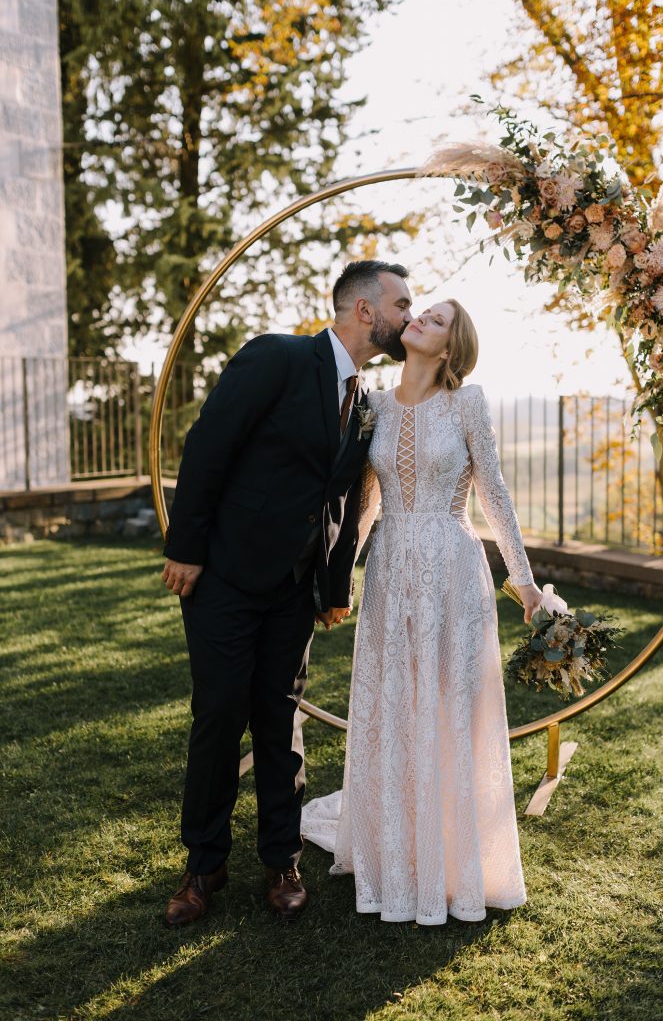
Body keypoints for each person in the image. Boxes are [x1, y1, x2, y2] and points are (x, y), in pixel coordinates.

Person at [160, 260, 413, 925]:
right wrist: (185, 547)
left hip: (296, 590)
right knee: (219, 716)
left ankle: (282, 862)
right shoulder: (276, 357)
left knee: (281, 721)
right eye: (401, 304)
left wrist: (334, 585)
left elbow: (345, 501)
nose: (408, 318)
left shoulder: (364, 403)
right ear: (364, 309)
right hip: (225, 576)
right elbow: (208, 446)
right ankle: (203, 866)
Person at [301, 298, 544, 924]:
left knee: (449, 707)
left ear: (451, 348)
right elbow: (364, 505)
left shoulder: (467, 403)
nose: (419, 320)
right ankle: (396, 849)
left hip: (453, 569)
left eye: (436, 321)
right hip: (390, 569)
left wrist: (524, 582)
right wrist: (335, 582)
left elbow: (494, 493)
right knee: (394, 705)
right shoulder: (374, 406)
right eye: (422, 313)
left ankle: (454, 858)